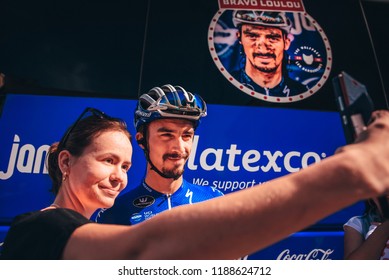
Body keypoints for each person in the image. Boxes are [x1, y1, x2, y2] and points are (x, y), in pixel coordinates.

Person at [1, 107, 389, 259]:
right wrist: (351, 171)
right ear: (66, 162)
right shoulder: (38, 228)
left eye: (125, 165)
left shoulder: (86, 230)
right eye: (107, 161)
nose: (119, 176)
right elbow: (148, 247)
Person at [96, 84, 224, 225]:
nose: (179, 147)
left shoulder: (214, 200)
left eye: (187, 135)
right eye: (167, 135)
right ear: (141, 140)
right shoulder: (115, 213)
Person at [231, 10, 308, 97]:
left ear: (286, 43)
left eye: (273, 37)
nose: (263, 48)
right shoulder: (225, 84)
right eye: (252, 36)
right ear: (239, 38)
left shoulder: (302, 92)